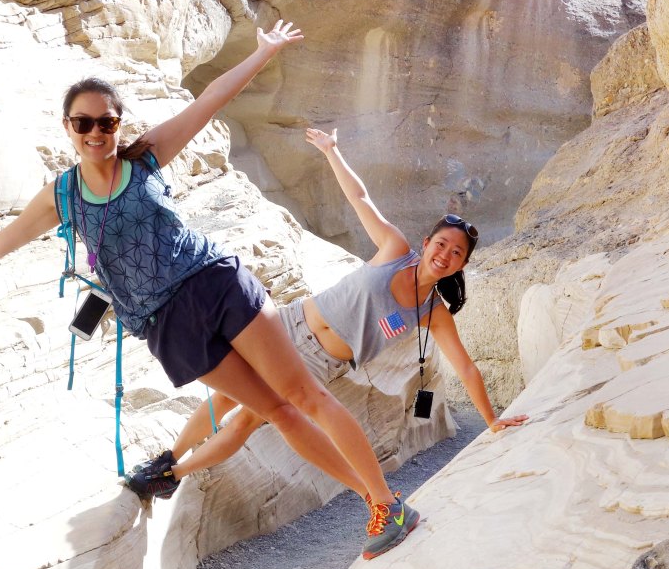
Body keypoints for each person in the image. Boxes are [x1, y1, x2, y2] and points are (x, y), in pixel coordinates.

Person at [0, 23, 420, 560]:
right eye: (83, 122)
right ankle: (375, 502)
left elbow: (209, 101)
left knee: (305, 396)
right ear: (68, 127)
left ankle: (385, 503)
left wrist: (263, 51)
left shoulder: (144, 158)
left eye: (106, 121)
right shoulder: (62, 196)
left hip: (215, 284)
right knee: (276, 413)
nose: (96, 132)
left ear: (118, 124)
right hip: (167, 326)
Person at [126, 126, 527, 500]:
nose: (445, 255)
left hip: (317, 362)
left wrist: (492, 420)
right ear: (426, 242)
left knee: (248, 418)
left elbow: (466, 368)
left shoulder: (433, 312)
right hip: (287, 323)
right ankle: (169, 456)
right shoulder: (394, 249)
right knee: (225, 396)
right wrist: (332, 151)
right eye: (441, 245)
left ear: (461, 265)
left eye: (456, 253)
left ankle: (172, 477)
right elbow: (360, 198)